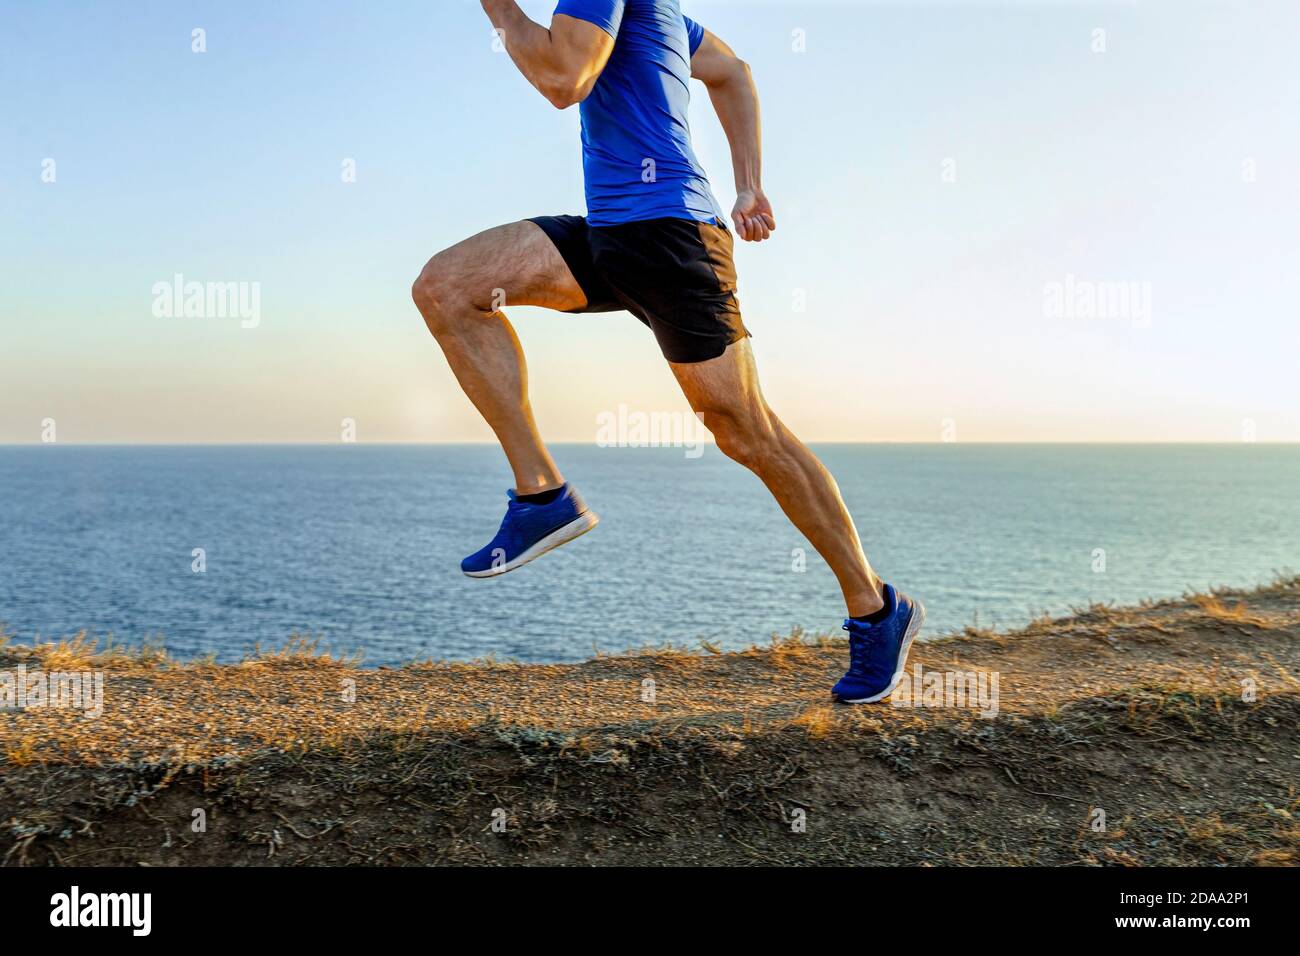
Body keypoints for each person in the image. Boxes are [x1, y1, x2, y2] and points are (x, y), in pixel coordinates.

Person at [411, 0, 924, 703]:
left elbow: (565, 79)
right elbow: (733, 70)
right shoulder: (658, 12)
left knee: (746, 432)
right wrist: (748, 181)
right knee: (448, 287)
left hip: (676, 239)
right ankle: (543, 494)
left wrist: (499, 7)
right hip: (612, 235)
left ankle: (877, 610)